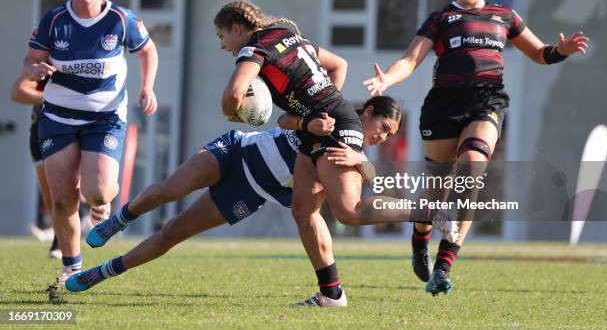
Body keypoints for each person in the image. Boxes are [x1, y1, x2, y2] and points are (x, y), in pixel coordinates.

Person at [363, 0, 589, 296]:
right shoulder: (441, 18)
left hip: (487, 101)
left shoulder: (504, 16)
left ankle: (444, 264)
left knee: (472, 166)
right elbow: (410, 59)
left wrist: (560, 50)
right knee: (435, 190)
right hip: (443, 107)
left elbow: (540, 53)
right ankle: (420, 236)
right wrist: (386, 78)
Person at [64, 97, 399, 295]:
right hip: (236, 151)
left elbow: (358, 192)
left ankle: (101, 273)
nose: (383, 137)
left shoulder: (352, 152)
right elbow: (287, 114)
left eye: (390, 135)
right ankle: (120, 219)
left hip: (250, 192)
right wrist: (308, 122)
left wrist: (363, 162)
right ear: (368, 111)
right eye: (383, 127)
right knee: (171, 189)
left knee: (172, 233)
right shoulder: (333, 113)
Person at [213, 0, 413, 307]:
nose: (223, 45)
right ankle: (331, 294)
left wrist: (231, 112)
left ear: (236, 28)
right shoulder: (285, 29)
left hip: (335, 123)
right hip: (317, 128)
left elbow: (233, 94)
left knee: (349, 211)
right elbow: (338, 65)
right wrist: (311, 115)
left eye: (222, 36)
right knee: (303, 209)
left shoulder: (253, 49)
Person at [21, 0, 159, 284]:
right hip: (58, 117)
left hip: (105, 117)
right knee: (63, 197)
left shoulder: (119, 19)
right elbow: (29, 61)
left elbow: (148, 50)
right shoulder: (54, 20)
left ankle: (100, 205)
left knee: (98, 191)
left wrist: (148, 88)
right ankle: (72, 269)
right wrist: (35, 69)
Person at [11, 76, 61, 259]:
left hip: (66, 129)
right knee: (48, 195)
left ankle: (62, 242)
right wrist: (51, 96)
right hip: (39, 128)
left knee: (64, 188)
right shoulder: (43, 63)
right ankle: (59, 233)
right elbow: (18, 92)